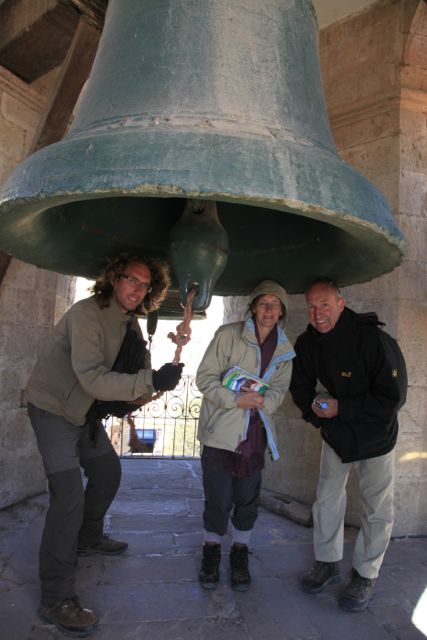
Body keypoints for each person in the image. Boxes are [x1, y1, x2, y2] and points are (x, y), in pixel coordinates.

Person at [26, 253, 183, 637]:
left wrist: (157, 377)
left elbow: (135, 369)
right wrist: (151, 380)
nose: (138, 289)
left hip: (85, 413)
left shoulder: (129, 322)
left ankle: (88, 537)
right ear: (114, 278)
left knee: (107, 473)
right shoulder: (86, 314)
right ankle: (56, 596)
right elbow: (94, 379)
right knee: (68, 499)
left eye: (145, 285)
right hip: (54, 410)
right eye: (132, 280)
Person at [290, 278, 407, 612]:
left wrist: (342, 408)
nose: (318, 314)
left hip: (376, 436)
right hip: (338, 435)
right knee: (326, 500)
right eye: (311, 307)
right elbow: (300, 389)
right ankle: (327, 563)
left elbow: (393, 398)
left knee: (377, 510)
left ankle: (365, 575)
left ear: (340, 305)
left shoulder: (374, 340)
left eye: (325, 305)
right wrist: (319, 415)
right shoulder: (308, 343)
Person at [196, 280, 295, 591]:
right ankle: (211, 551)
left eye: (275, 305)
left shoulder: (284, 350)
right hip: (221, 434)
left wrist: (264, 401)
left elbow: (279, 390)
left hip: (254, 435)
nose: (269, 310)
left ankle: (240, 552)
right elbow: (204, 378)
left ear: (282, 312)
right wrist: (236, 400)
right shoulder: (228, 335)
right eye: (263, 303)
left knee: (247, 499)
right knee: (218, 498)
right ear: (252, 307)